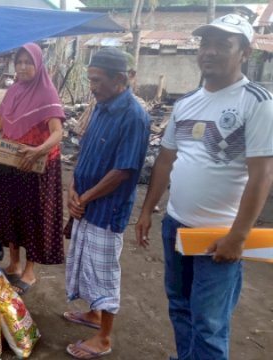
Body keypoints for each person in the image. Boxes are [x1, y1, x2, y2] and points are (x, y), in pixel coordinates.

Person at [135, 14, 273, 360]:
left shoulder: (256, 102)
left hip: (219, 233)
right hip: (176, 225)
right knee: (180, 308)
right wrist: (147, 210)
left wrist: (238, 237)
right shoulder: (186, 103)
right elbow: (165, 160)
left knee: (209, 323)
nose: (209, 51)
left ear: (244, 52)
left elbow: (262, 174)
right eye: (204, 43)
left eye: (222, 44)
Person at [64, 47, 150, 359]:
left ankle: (104, 338)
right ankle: (94, 314)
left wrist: (84, 198)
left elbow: (123, 171)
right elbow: (85, 153)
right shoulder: (100, 106)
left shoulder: (134, 116)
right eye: (90, 79)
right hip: (85, 205)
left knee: (104, 272)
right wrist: (73, 188)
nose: (92, 86)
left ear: (120, 79)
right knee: (86, 262)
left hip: (106, 211)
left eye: (97, 80)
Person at [0, 43, 65, 294]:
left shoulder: (47, 93)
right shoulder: (13, 91)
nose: (23, 67)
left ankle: (29, 271)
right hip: (12, 161)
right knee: (10, 212)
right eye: (19, 62)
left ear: (38, 64)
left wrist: (39, 150)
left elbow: (58, 132)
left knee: (32, 217)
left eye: (28, 62)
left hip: (38, 166)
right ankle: (13, 264)